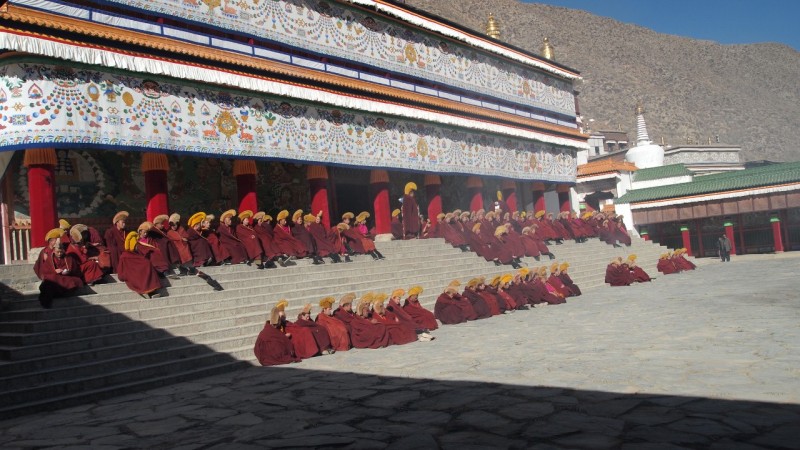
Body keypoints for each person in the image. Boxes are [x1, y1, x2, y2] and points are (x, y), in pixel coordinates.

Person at [34, 229, 85, 308]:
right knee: (51, 280)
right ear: (54, 251)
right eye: (58, 252)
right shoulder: (48, 255)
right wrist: (54, 270)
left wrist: (68, 270)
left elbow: (74, 268)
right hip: (54, 275)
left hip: (66, 276)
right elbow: (45, 269)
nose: (59, 253)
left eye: (61, 252)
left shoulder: (67, 257)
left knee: (74, 280)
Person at [117, 231, 162, 298]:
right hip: (133, 275)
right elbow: (121, 271)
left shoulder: (136, 253)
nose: (137, 246)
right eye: (135, 245)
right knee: (145, 266)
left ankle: (152, 290)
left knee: (147, 264)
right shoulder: (124, 256)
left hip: (140, 272)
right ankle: (150, 292)